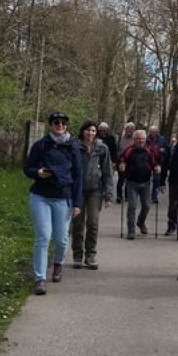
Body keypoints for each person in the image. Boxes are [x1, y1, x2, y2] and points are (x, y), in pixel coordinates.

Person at [23, 111, 82, 295]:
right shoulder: (40, 145)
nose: (60, 125)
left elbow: (78, 176)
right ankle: (40, 278)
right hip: (40, 196)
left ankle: (58, 265)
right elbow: (27, 168)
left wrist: (77, 203)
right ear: (50, 125)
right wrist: (38, 172)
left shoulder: (73, 146)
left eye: (63, 123)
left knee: (61, 238)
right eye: (56, 122)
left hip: (63, 197)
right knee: (43, 236)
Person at [71, 120, 114, 270]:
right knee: (78, 223)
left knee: (93, 222)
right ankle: (77, 255)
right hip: (78, 189)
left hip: (96, 189)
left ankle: (90, 255)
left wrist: (109, 195)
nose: (90, 133)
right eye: (88, 130)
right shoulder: (75, 147)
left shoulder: (102, 148)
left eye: (93, 131)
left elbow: (108, 172)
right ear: (83, 131)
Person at [118, 129, 160, 239]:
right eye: (138, 139)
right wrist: (122, 165)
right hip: (132, 182)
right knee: (132, 206)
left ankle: (140, 222)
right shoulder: (129, 150)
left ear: (145, 139)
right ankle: (131, 230)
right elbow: (122, 159)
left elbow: (155, 162)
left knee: (146, 206)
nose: (140, 141)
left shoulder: (149, 151)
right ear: (134, 139)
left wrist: (156, 168)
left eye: (142, 139)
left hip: (146, 182)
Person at [116, 121, 135, 203]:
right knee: (121, 179)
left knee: (129, 180)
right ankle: (119, 196)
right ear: (125, 129)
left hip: (131, 162)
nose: (130, 130)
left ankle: (127, 196)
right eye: (128, 129)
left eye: (132, 129)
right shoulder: (120, 138)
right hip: (121, 161)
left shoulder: (135, 139)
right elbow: (116, 150)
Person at [146, 125, 166, 203]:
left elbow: (166, 148)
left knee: (157, 179)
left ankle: (154, 196)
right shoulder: (146, 139)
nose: (153, 133)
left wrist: (163, 150)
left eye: (155, 132)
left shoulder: (161, 139)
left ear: (157, 132)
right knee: (146, 178)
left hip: (157, 162)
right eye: (152, 132)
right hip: (147, 161)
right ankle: (145, 195)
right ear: (150, 132)